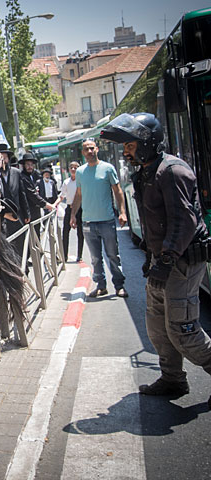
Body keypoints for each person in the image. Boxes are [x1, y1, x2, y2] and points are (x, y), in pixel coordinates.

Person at [101, 113, 211, 403]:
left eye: (131, 145)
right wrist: (153, 260)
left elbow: (183, 222)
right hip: (162, 262)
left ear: (148, 142)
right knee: (158, 328)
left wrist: (165, 261)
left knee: (182, 330)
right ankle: (172, 379)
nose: (126, 151)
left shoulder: (172, 171)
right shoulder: (146, 172)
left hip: (182, 262)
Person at [70, 138, 129, 298]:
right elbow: (79, 195)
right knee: (96, 258)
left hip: (107, 221)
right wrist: (73, 214)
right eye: (86, 149)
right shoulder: (81, 172)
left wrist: (122, 212)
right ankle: (101, 286)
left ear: (97, 149)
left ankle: (119, 285)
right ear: (83, 153)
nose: (89, 151)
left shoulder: (108, 168)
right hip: (88, 222)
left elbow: (118, 191)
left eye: (91, 148)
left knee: (112, 255)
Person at [0, 144, 30, 259]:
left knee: (20, 243)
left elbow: (22, 194)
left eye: (4, 158)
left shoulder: (16, 172)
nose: (2, 161)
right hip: (2, 218)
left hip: (16, 215)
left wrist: (26, 213)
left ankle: (23, 267)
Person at [20, 152, 55, 240]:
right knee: (31, 239)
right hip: (29, 213)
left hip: (36, 212)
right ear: (23, 165)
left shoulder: (33, 176)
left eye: (31, 164)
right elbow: (32, 195)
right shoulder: (23, 177)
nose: (30, 167)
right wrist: (46, 205)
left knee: (36, 236)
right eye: (27, 164)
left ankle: (37, 253)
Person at [59, 161, 84, 261]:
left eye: (75, 168)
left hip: (80, 209)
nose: (73, 170)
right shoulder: (66, 182)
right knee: (65, 232)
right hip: (69, 208)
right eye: (71, 168)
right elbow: (61, 196)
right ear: (69, 170)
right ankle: (64, 255)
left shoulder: (82, 181)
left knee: (80, 233)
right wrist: (53, 205)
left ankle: (80, 255)